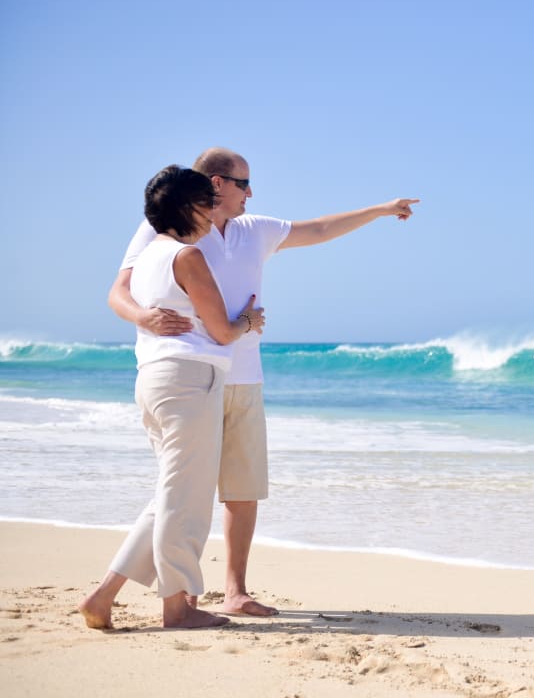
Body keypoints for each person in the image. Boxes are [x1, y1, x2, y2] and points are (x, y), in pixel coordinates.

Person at [106, 147, 419, 616]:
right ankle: (179, 596)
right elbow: (119, 290)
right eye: (243, 183)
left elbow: (319, 229)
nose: (251, 192)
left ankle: (234, 591)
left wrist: (378, 210)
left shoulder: (256, 229)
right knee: (182, 490)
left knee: (240, 486)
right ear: (216, 184)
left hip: (242, 374)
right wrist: (145, 318)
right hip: (189, 370)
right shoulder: (169, 229)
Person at [80, 166, 267, 629]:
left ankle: (103, 596)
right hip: (190, 380)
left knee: (172, 493)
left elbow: (124, 299)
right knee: (188, 499)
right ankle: (177, 606)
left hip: (153, 379)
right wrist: (250, 321)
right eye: (207, 204)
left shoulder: (145, 258)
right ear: (189, 207)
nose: (212, 214)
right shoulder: (187, 257)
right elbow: (222, 331)